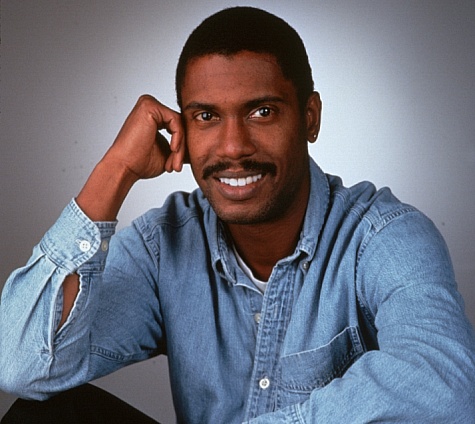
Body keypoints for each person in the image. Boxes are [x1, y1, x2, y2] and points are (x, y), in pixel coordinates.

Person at [1, 6, 474, 423]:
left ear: (309, 118)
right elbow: (21, 367)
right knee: (44, 415)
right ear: (183, 127)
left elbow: (446, 385)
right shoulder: (164, 248)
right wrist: (115, 170)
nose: (232, 147)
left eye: (261, 112)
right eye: (206, 117)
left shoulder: (383, 236)